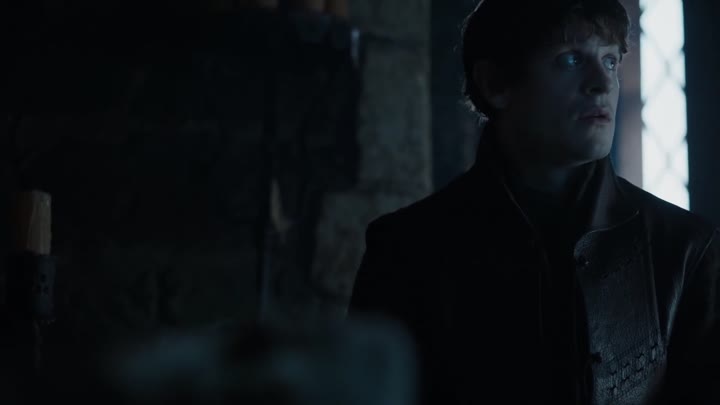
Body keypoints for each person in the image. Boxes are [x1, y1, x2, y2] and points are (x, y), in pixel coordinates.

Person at [349, 0, 720, 403]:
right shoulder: (406, 249)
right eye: (571, 59)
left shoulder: (684, 249)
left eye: (611, 61)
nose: (603, 83)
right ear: (496, 83)